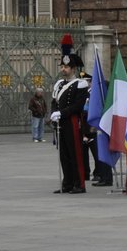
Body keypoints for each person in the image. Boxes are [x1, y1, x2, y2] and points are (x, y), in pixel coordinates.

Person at [50, 44, 89, 193]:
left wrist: (62, 113)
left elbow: (78, 106)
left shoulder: (80, 84)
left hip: (72, 122)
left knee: (75, 153)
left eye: (66, 67)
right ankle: (67, 182)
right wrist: (54, 113)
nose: (63, 69)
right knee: (64, 154)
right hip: (60, 123)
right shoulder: (59, 84)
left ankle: (79, 184)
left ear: (73, 69)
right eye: (62, 66)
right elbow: (54, 101)